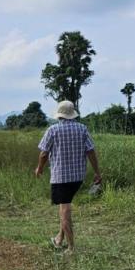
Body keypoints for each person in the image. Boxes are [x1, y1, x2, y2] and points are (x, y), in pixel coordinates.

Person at [35, 100, 102, 252]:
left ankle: (71, 248)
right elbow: (90, 152)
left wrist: (39, 168)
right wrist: (97, 172)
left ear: (59, 115)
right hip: (78, 177)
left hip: (60, 177)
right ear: (72, 115)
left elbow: (44, 153)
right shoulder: (82, 129)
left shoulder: (53, 130)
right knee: (64, 206)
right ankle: (59, 238)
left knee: (64, 211)